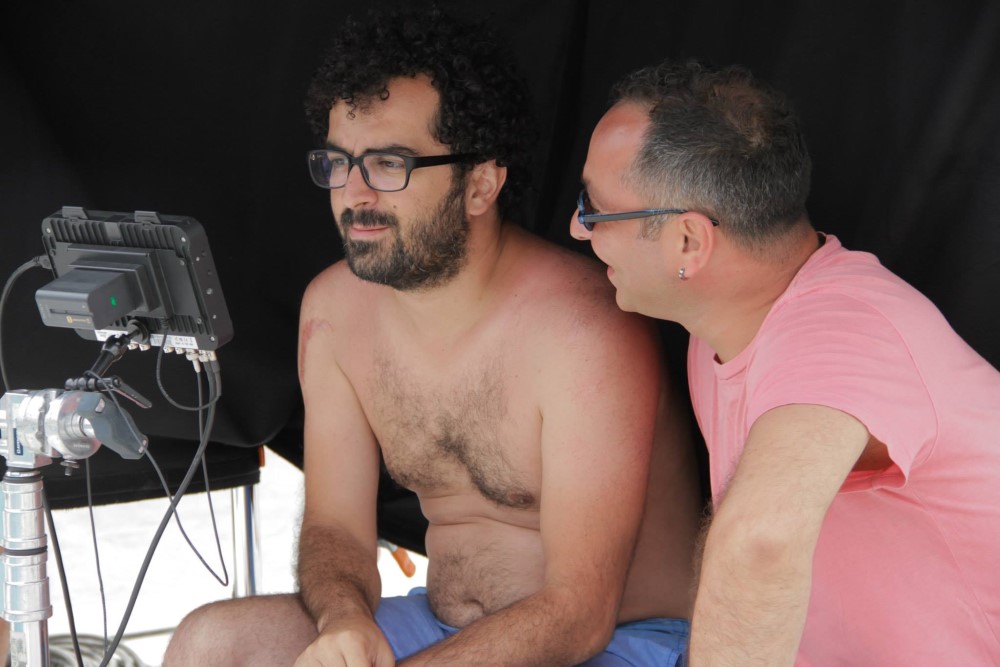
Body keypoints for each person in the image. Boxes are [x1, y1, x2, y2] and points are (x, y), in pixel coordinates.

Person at [164, 8, 703, 667]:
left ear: (480, 184)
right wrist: (344, 621)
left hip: (621, 643)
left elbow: (578, 613)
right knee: (213, 644)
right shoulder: (334, 311)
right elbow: (336, 528)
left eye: (388, 164)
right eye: (338, 163)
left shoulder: (582, 330)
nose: (353, 194)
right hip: (437, 626)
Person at [569, 59, 1000, 666]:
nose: (577, 228)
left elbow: (759, 541)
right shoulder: (721, 325)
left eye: (594, 209)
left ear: (689, 242)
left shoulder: (842, 332)